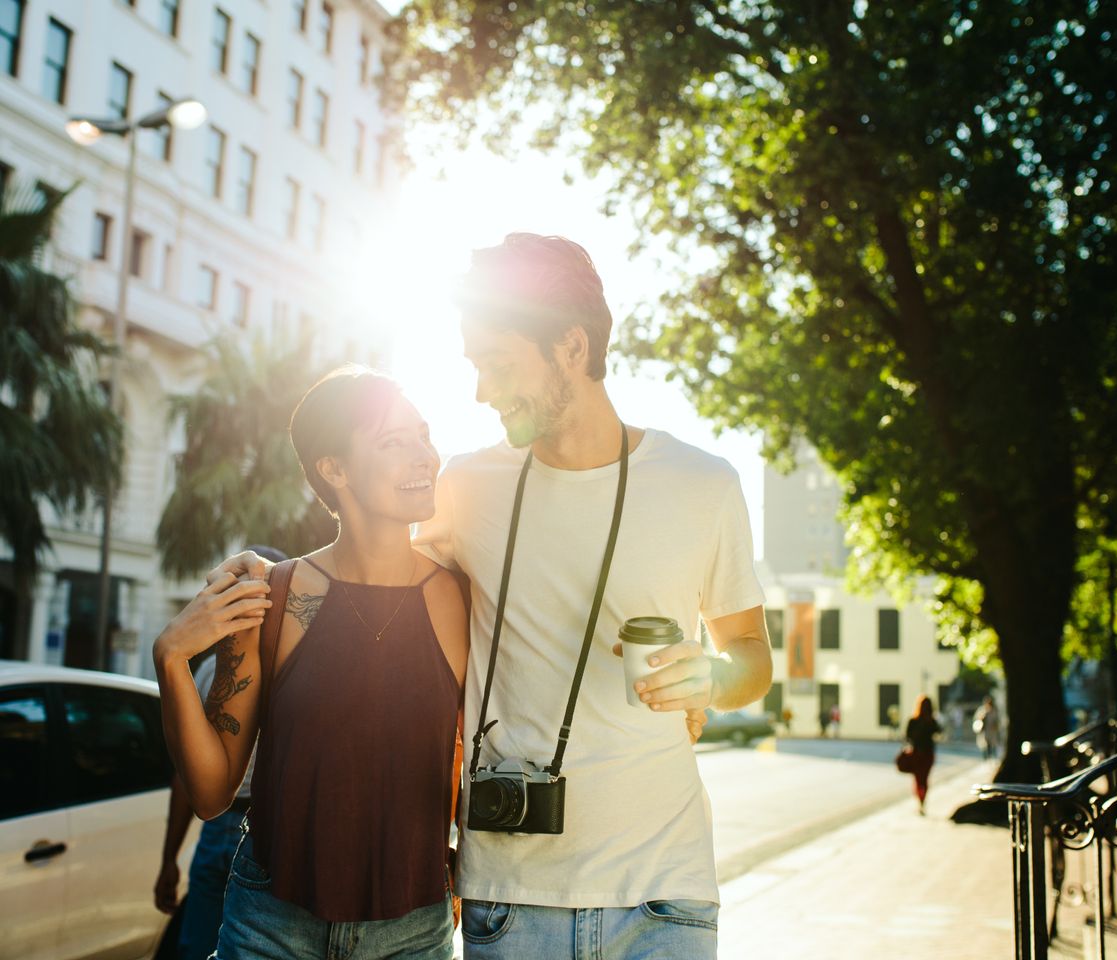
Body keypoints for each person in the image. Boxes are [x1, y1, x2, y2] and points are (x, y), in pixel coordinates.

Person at [220, 234, 773, 958]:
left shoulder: (706, 484)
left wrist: (713, 676)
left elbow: (752, 660)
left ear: (572, 347)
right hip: (509, 903)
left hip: (664, 896)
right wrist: (257, 573)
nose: (481, 390)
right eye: (475, 366)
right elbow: (362, 568)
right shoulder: (464, 487)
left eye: (499, 364)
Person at [152, 369, 467, 960]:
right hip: (270, 927)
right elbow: (211, 793)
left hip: (413, 932)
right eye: (393, 442)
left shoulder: (460, 599)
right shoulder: (270, 598)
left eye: (423, 436)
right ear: (334, 469)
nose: (424, 456)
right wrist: (170, 660)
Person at [153, 552, 284, 960]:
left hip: (227, 828)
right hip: (261, 828)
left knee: (201, 943)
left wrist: (169, 859)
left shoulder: (210, 669)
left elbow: (185, 780)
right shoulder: (286, 662)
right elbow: (190, 779)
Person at [904, 695, 942, 814]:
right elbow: (939, 731)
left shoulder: (915, 721)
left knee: (919, 779)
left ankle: (921, 800)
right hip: (926, 753)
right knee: (923, 779)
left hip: (919, 753)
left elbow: (908, 736)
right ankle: (922, 800)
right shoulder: (929, 721)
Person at [974, 695, 1002, 760]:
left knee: (993, 746)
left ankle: (993, 758)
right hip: (984, 732)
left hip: (992, 732)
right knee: (984, 746)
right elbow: (977, 720)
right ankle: (985, 759)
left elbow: (998, 721)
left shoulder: (995, 710)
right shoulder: (982, 710)